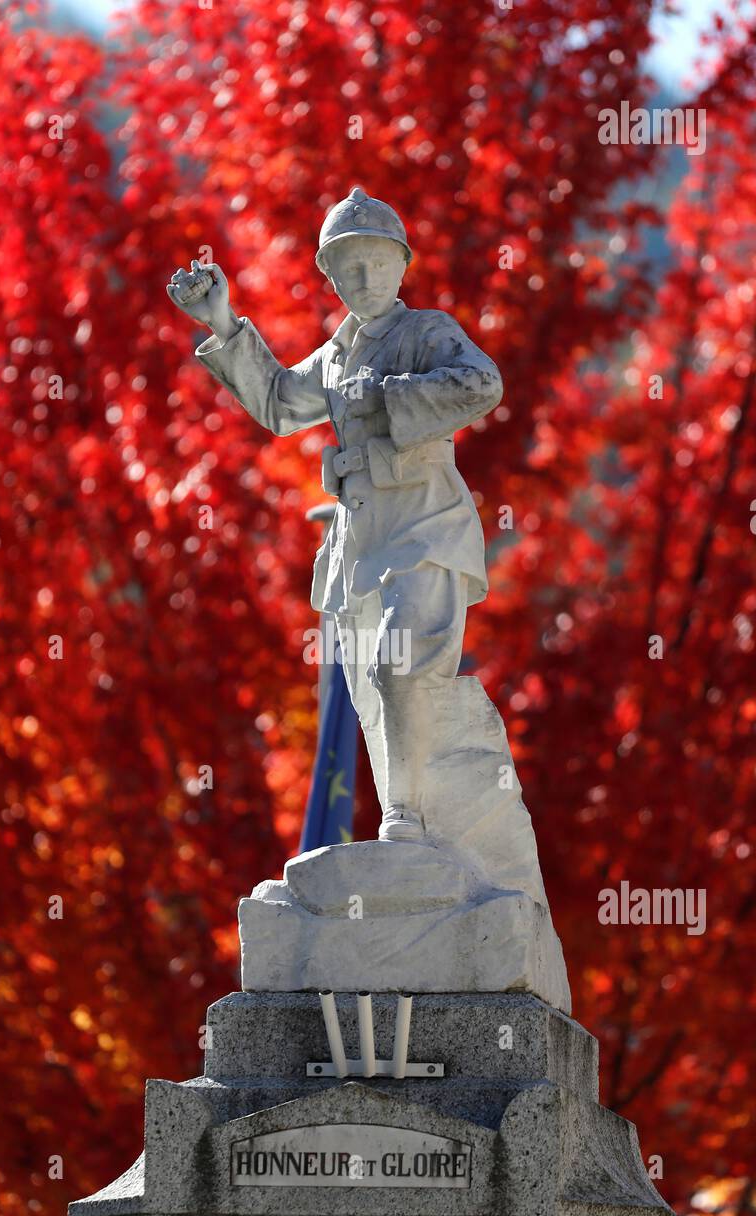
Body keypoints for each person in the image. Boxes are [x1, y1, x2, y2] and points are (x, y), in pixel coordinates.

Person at [168, 187, 502, 842]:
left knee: (397, 666)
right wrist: (224, 324)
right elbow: (280, 405)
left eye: (376, 262)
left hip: (426, 524)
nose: (363, 277)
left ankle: (411, 821)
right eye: (346, 267)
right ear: (330, 278)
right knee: (372, 690)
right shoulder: (336, 354)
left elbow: (482, 384)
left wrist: (390, 400)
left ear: (402, 266)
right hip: (361, 540)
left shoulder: (426, 331)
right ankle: (406, 817)